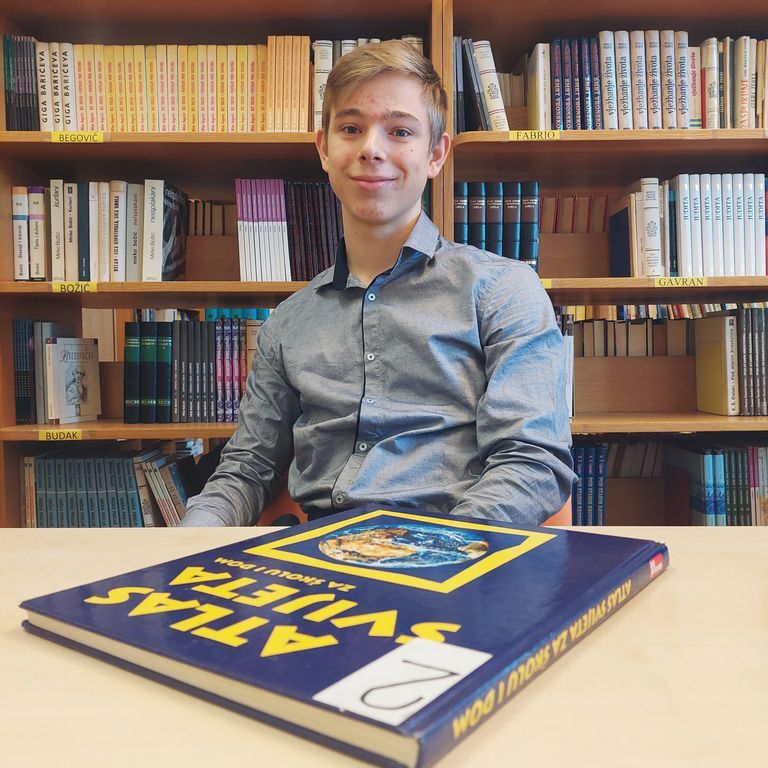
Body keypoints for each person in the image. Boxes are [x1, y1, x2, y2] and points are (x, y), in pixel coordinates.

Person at [181, 40, 574, 527]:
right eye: (351, 128)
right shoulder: (286, 323)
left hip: (458, 545)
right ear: (324, 150)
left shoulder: (504, 291)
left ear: (436, 154)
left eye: (400, 131)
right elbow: (247, 468)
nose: (371, 149)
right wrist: (189, 541)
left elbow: (530, 463)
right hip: (318, 555)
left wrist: (440, 551)